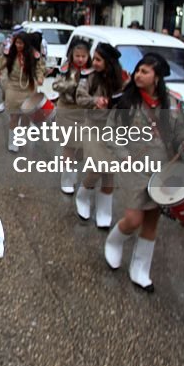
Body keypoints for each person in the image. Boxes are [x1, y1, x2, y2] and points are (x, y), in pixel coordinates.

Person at [104, 52, 184, 290]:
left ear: (157, 77)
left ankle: (140, 270)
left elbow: (179, 131)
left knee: (152, 220)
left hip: (163, 168)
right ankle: (114, 241)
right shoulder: (127, 101)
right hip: (135, 168)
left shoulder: (172, 103)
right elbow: (111, 132)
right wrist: (125, 158)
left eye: (145, 71)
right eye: (138, 71)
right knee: (134, 218)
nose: (138, 75)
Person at [74, 42, 127, 228]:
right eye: (94, 58)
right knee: (96, 168)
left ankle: (104, 211)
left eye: (98, 59)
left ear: (109, 62)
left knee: (109, 173)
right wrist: (94, 101)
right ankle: (82, 197)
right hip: (93, 127)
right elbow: (79, 98)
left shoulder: (121, 80)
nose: (94, 62)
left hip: (112, 130)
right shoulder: (87, 77)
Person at [0, 31, 45, 152]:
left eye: (21, 43)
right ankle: (12, 142)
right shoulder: (10, 54)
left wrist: (40, 77)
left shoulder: (34, 55)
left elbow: (39, 67)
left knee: (26, 117)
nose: (19, 45)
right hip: (13, 87)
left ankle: (20, 136)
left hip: (29, 88)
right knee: (14, 116)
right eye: (17, 42)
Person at [52, 42, 90, 194]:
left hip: (84, 113)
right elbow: (55, 85)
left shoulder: (92, 72)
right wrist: (71, 84)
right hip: (67, 111)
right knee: (69, 147)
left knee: (81, 149)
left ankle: (72, 172)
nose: (80, 59)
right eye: (77, 56)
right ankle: (66, 179)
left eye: (83, 56)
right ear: (72, 56)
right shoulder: (66, 69)